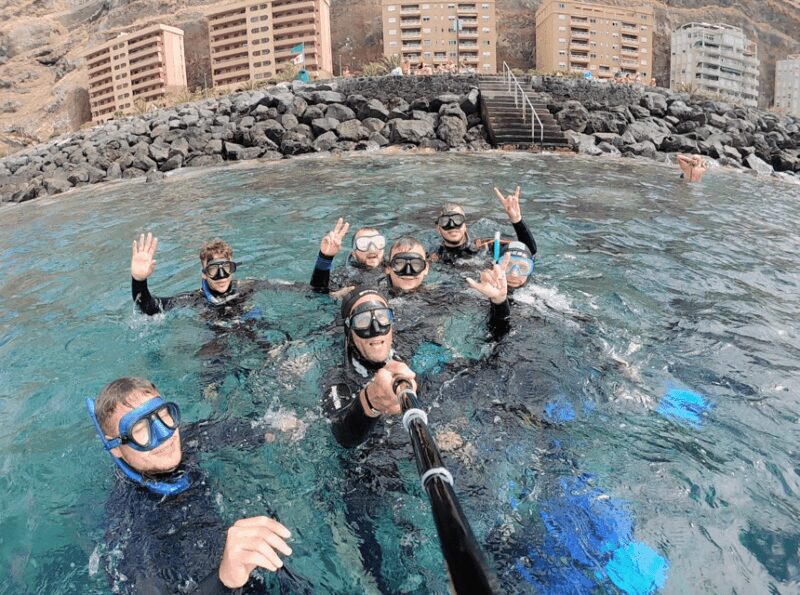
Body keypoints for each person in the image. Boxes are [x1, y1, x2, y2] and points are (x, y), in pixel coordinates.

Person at [86, 377, 307, 594]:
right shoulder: (127, 521)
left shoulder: (187, 439)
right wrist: (223, 580)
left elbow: (246, 430)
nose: (164, 436)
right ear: (115, 447)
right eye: (140, 429)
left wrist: (283, 426)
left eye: (163, 415)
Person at [130, 233, 281, 318]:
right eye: (213, 270)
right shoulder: (194, 300)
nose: (221, 276)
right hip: (217, 348)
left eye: (226, 268)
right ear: (204, 275)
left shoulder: (248, 287)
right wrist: (139, 281)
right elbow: (149, 307)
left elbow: (296, 288)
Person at [431, 185, 537, 268]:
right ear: (438, 229)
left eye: (457, 220)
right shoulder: (434, 257)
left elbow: (528, 252)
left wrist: (517, 220)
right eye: (445, 221)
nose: (452, 226)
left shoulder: (486, 246)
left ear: (465, 225)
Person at [310, 218, 386, 293]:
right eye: (363, 244)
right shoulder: (344, 275)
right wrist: (325, 258)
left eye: (378, 242)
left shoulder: (393, 269)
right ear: (354, 254)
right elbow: (317, 291)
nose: (372, 249)